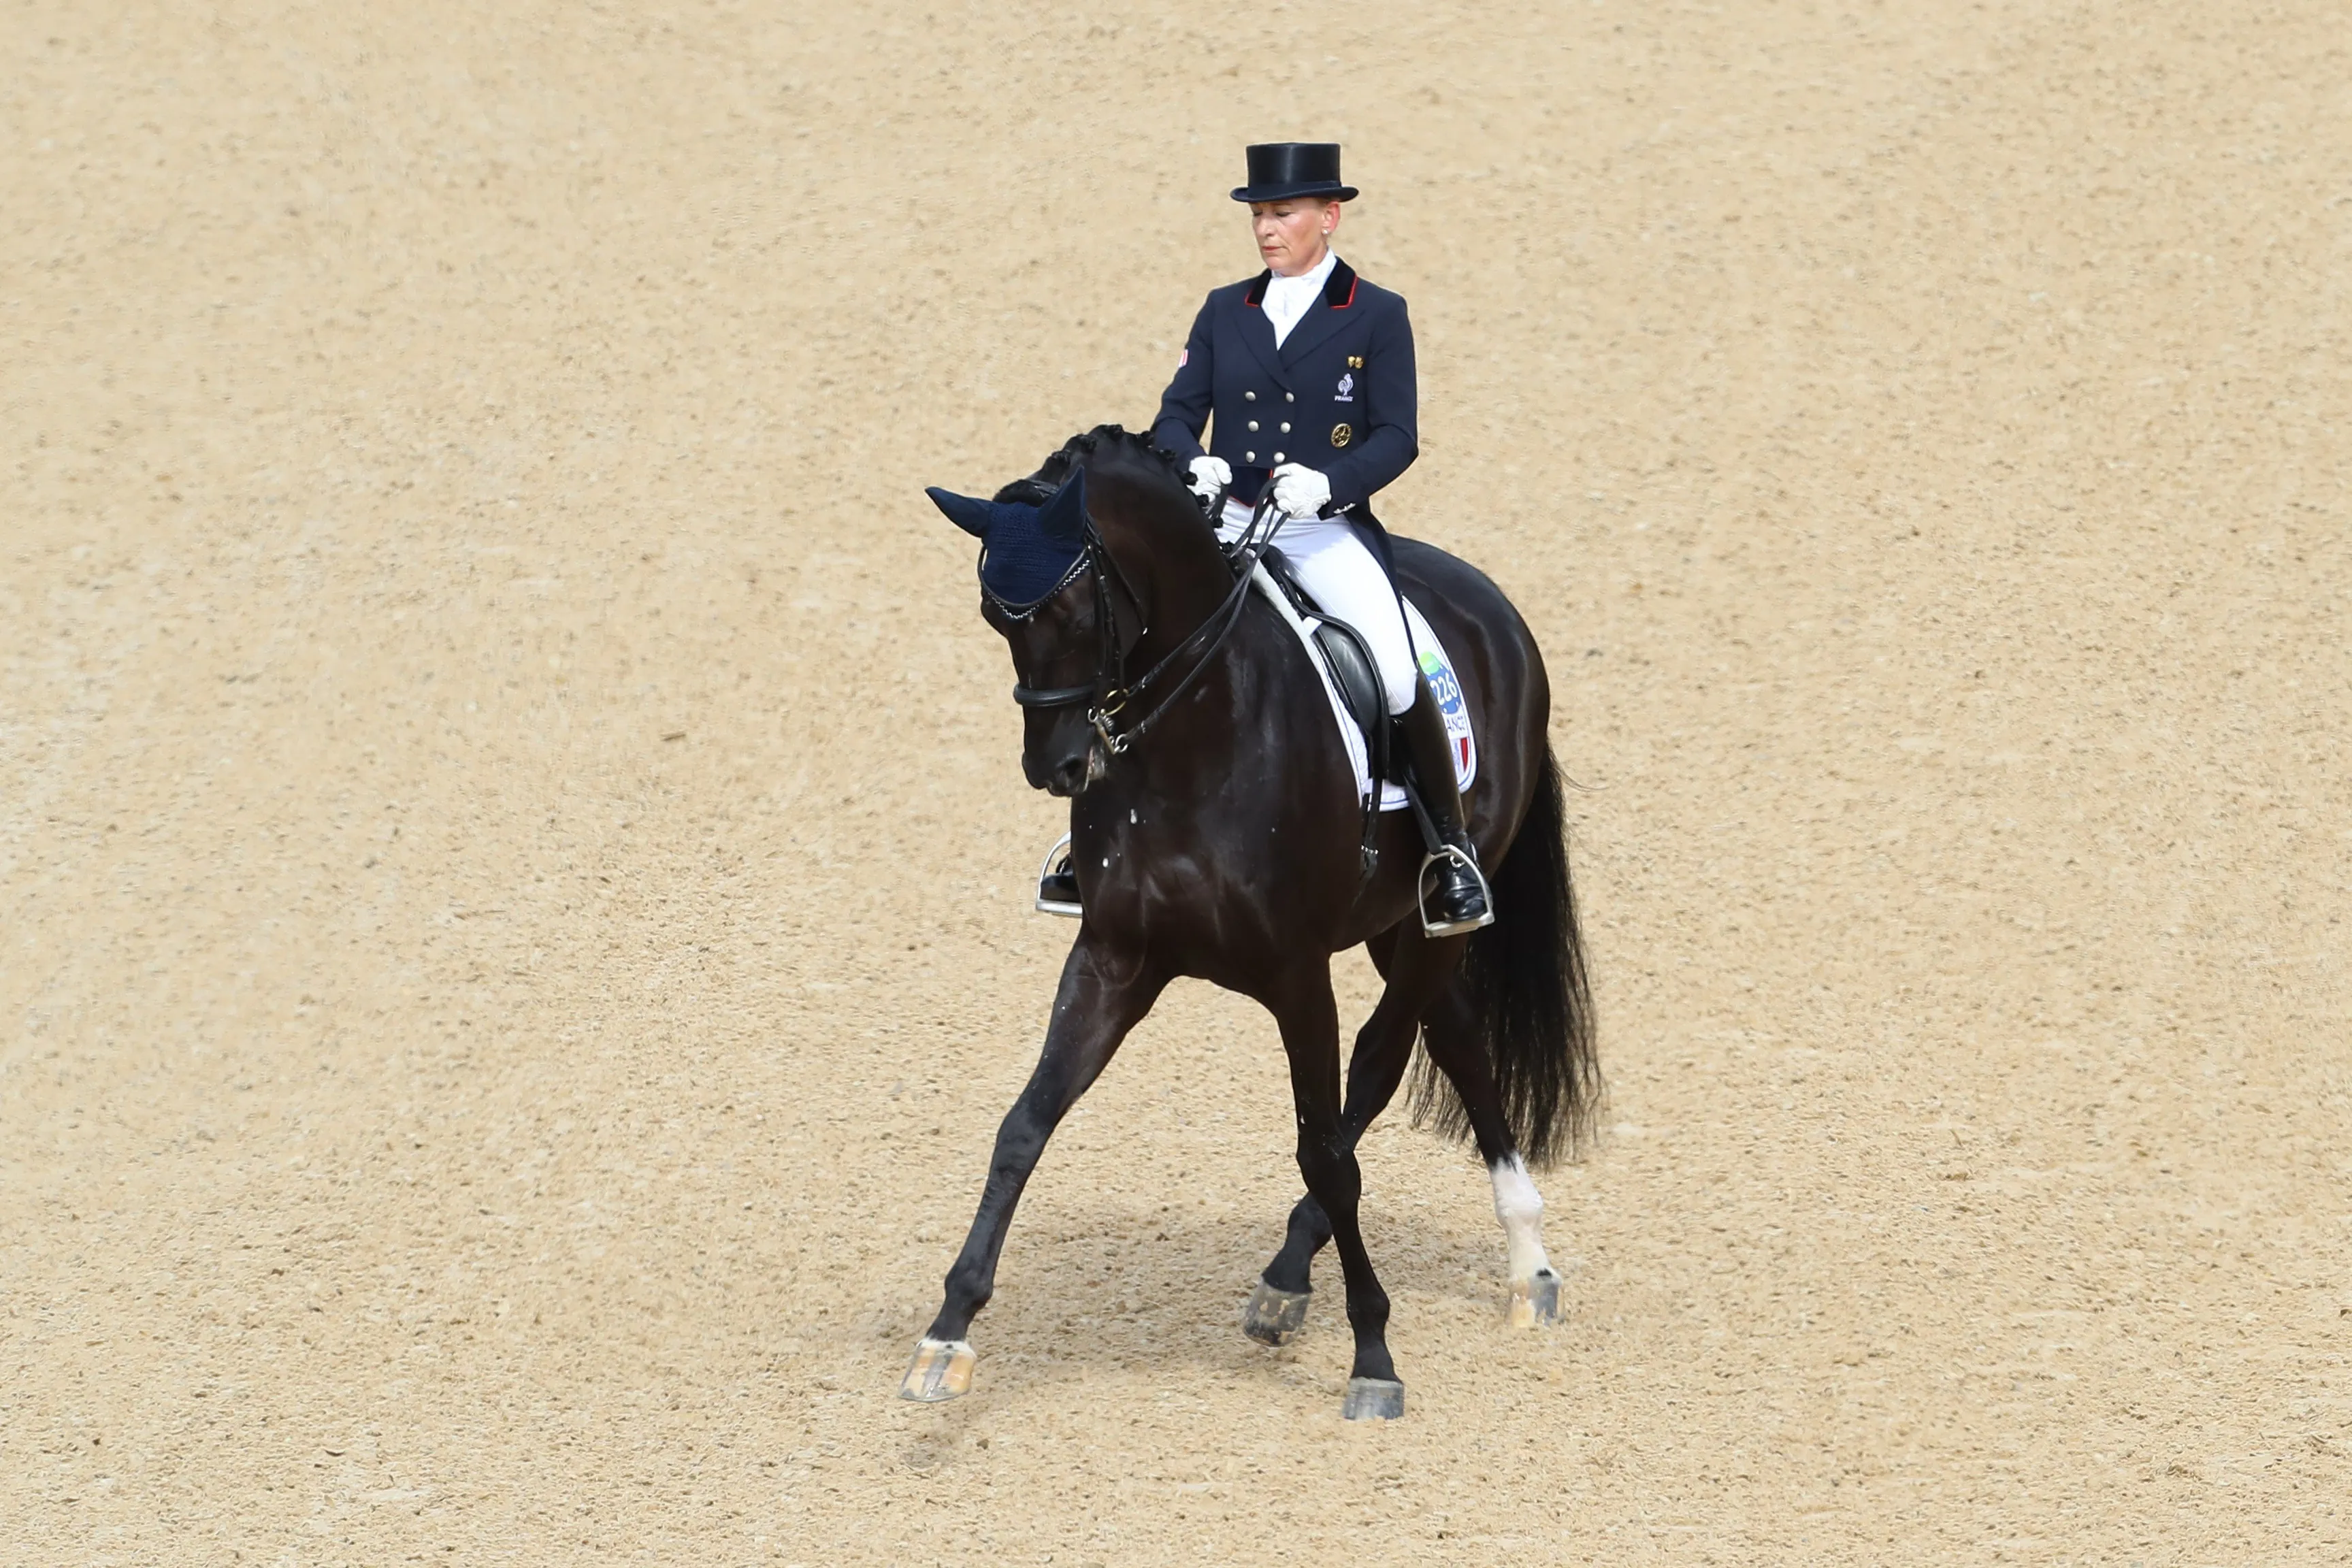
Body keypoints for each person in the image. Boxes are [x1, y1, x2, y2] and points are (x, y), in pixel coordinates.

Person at [1036, 142, 1491, 936]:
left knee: (1389, 662)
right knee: (1128, 636)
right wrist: (1193, 461)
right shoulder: (1224, 310)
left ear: (1329, 216)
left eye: (1282, 214)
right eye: (1258, 216)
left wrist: (1333, 482)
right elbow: (1177, 412)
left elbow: (1397, 435)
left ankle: (1447, 853)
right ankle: (1093, 840)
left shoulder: (1377, 314)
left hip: (1321, 528)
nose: (1267, 231)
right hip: (1227, 520)